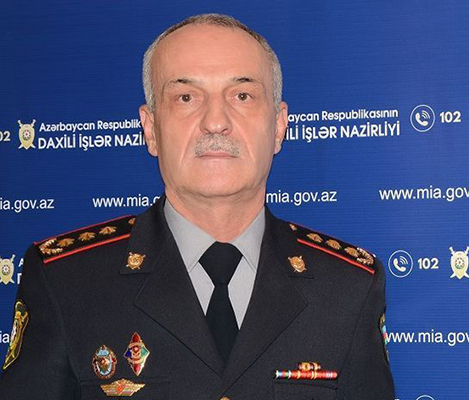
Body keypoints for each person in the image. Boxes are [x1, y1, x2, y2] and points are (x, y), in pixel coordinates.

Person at [0, 14, 395, 399]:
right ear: (151, 129)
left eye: (242, 96)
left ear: (278, 126)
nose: (215, 121)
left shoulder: (348, 287)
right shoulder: (66, 280)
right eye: (186, 97)